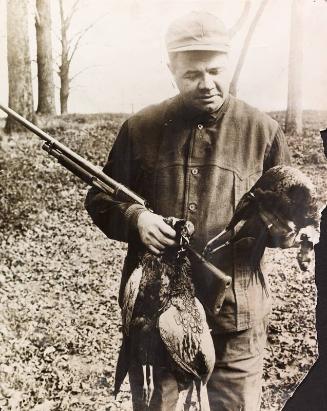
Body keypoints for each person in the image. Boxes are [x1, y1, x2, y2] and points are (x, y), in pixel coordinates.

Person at [85, 11, 290, 411]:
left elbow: (289, 219)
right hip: (157, 312)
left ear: (228, 65)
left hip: (236, 316)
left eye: (215, 70)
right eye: (191, 74)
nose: (206, 83)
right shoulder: (140, 127)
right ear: (170, 69)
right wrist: (137, 219)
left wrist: (283, 230)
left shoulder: (263, 132)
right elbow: (100, 197)